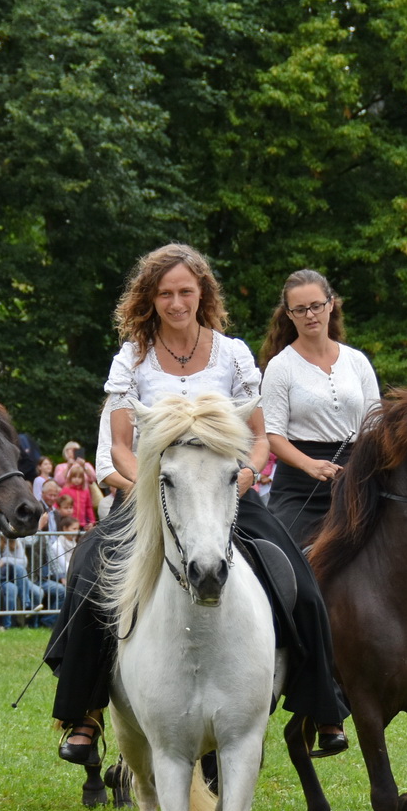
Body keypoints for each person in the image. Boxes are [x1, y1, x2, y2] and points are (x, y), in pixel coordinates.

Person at [46, 243, 350, 764]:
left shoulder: (231, 354)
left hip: (225, 492)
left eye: (186, 291)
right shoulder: (133, 357)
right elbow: (120, 442)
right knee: (90, 569)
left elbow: (259, 434)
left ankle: (321, 704)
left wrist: (249, 473)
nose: (176, 302)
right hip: (152, 495)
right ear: (150, 298)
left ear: (202, 293)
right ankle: (85, 714)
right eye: (165, 293)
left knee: (296, 576)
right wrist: (151, 485)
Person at [259, 269, 382, 549]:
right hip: (300, 485)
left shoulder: (357, 361)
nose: (310, 315)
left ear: (331, 304)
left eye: (316, 306)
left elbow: (375, 425)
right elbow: (273, 435)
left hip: (357, 478)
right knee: (281, 556)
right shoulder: (281, 366)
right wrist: (309, 465)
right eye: (300, 309)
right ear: (289, 314)